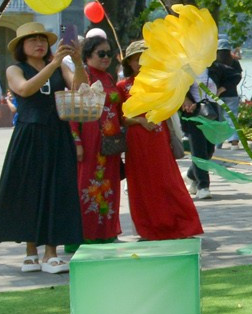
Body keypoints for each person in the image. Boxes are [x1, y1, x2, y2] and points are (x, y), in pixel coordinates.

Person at [0, 22, 86, 273]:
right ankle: (30, 251)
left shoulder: (60, 66)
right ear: (22, 46)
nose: (39, 44)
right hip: (29, 133)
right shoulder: (15, 69)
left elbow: (80, 89)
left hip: (57, 133)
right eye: (33, 40)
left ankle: (51, 253)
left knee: (56, 190)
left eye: (42, 40)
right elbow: (24, 89)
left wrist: (77, 62)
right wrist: (53, 64)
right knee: (29, 190)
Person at [120, 41, 203, 240]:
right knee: (142, 184)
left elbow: (173, 103)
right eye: (136, 59)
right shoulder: (122, 87)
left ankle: (183, 225)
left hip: (159, 138)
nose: (141, 62)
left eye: (145, 58)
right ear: (129, 62)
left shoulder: (161, 83)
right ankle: (149, 228)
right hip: (137, 140)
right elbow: (119, 117)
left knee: (168, 181)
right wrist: (140, 120)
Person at [72, 35, 125, 242]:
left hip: (110, 144)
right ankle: (86, 236)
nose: (106, 58)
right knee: (88, 186)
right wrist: (77, 141)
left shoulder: (109, 78)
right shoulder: (83, 76)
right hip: (90, 140)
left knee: (110, 186)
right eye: (101, 53)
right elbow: (74, 110)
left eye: (109, 54)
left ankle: (107, 233)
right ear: (87, 56)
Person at [177, 79, 217, 201]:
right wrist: (185, 99)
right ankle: (203, 186)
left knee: (209, 150)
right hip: (193, 111)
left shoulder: (213, 69)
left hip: (211, 110)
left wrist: (219, 93)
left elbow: (231, 77)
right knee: (199, 150)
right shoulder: (185, 69)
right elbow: (175, 83)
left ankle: (190, 175)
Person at [207, 41, 243, 107]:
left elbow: (238, 76)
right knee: (229, 113)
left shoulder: (213, 62)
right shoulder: (234, 61)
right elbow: (238, 77)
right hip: (230, 94)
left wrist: (220, 90)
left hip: (216, 95)